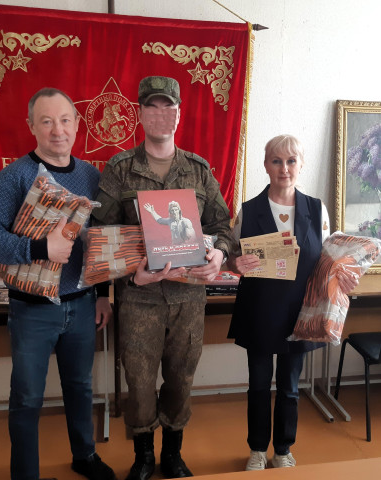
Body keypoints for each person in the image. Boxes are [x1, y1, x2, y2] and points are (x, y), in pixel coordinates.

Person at [0, 88, 116, 480]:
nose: (57, 130)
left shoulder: (91, 176)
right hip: (32, 310)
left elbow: (100, 241)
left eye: (65, 120)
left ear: (77, 124)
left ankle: (84, 456)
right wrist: (39, 247)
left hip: (82, 305)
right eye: (47, 121)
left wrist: (103, 294)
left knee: (80, 387)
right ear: (31, 126)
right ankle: (25, 475)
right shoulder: (15, 176)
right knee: (27, 396)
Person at [91, 76, 233, 480]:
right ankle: (143, 457)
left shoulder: (198, 170)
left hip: (188, 300)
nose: (160, 114)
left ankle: (172, 453)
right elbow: (100, 238)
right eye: (151, 106)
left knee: (181, 378)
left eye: (167, 107)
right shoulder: (120, 169)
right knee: (138, 383)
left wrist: (219, 254)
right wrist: (117, 282)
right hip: (138, 299)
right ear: (140, 113)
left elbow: (222, 226)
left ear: (178, 114)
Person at [227, 134, 359, 471]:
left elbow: (328, 261)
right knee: (258, 385)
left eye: (291, 161)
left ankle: (283, 450)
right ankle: (258, 449)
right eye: (276, 161)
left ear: (301, 165)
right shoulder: (248, 210)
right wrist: (234, 264)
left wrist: (344, 276)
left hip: (300, 312)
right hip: (259, 310)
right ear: (266, 165)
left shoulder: (317, 209)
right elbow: (232, 256)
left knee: (289, 387)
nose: (284, 168)